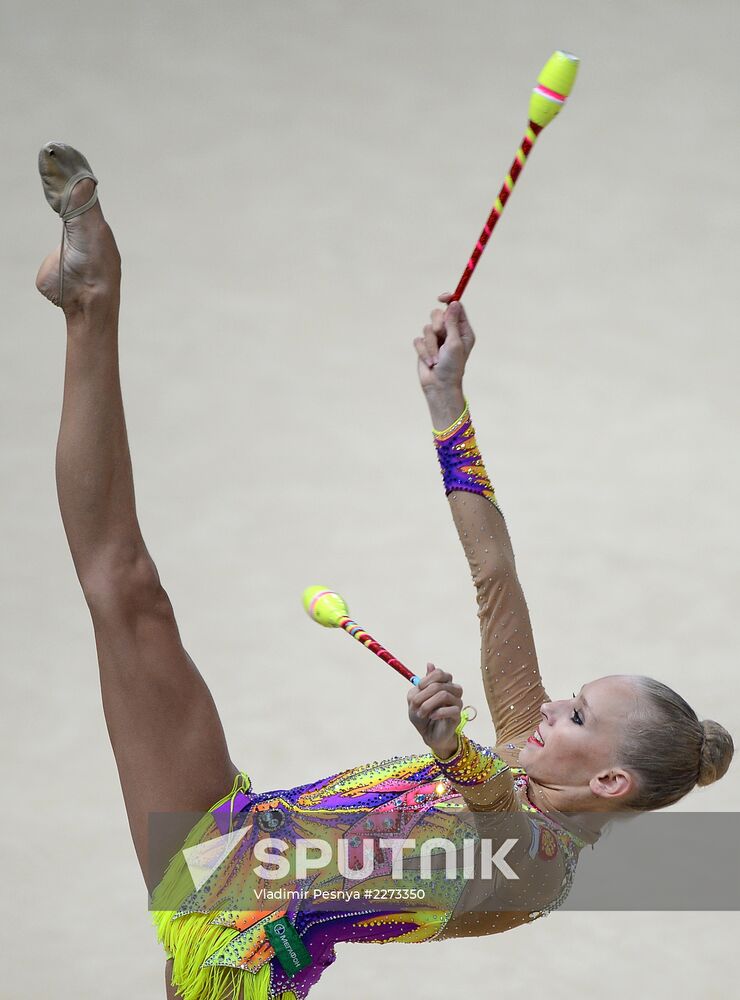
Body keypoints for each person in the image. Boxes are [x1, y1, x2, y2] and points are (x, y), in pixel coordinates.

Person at [36, 143, 733, 1000]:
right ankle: (89, 299)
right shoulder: (524, 750)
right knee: (127, 588)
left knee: (123, 590)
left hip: (243, 963)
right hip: (230, 840)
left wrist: (449, 747)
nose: (551, 703)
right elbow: (496, 578)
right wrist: (448, 408)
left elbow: (499, 821)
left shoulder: (540, 874)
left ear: (609, 781)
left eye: (578, 712)